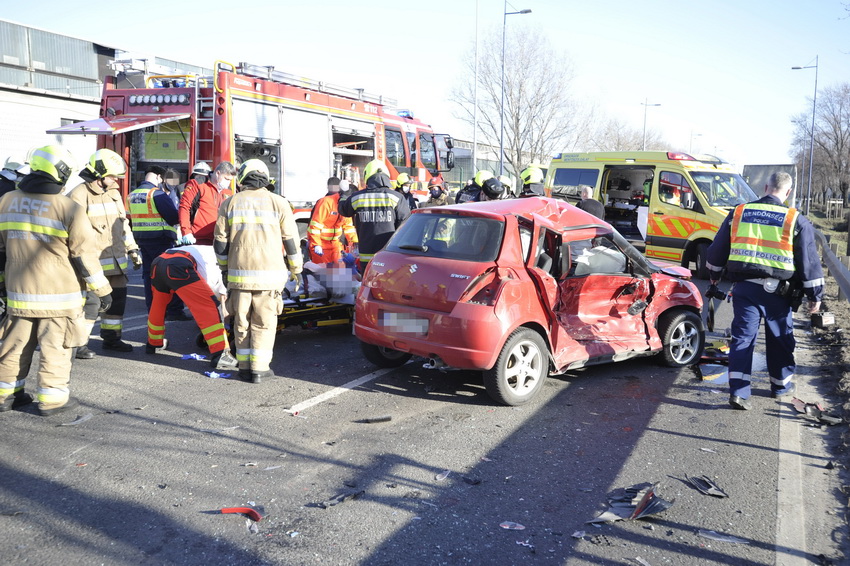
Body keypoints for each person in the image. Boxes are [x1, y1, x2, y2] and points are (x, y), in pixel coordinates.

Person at [0, 145, 111, 416]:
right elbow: (83, 255)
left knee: (14, 345)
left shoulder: (7, 201)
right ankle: (52, 400)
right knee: (57, 348)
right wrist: (103, 290)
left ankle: (6, 394)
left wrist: (3, 284)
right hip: (59, 296)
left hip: (18, 292)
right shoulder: (68, 208)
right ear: (60, 172)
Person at [706, 171, 824, 411]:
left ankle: (739, 392)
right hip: (778, 294)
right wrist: (815, 297)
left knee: (742, 340)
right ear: (788, 192)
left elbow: (718, 250)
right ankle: (780, 386)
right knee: (780, 339)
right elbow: (809, 262)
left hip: (745, 290)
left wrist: (714, 276)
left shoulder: (739, 212)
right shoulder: (795, 219)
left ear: (767, 187)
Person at [214, 159, 303, 383]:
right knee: (264, 322)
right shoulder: (279, 203)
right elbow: (291, 242)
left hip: (238, 277)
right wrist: (296, 269)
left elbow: (220, 243)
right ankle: (260, 370)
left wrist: (225, 269)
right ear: (265, 177)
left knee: (241, 322)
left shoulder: (229, 203)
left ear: (243, 177)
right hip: (269, 278)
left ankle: (243, 367)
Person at [68, 149, 142, 354]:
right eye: (111, 176)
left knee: (117, 302)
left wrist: (132, 248)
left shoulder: (114, 194)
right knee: (91, 305)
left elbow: (122, 225)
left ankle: (111, 338)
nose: (115, 180)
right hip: (93, 264)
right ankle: (80, 344)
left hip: (117, 262)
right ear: (98, 174)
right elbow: (72, 233)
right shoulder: (78, 195)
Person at [145, 244, 237, 370]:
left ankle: (154, 343)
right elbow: (222, 297)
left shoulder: (211, 251)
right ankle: (220, 355)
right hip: (180, 265)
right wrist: (225, 321)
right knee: (210, 307)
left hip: (159, 261)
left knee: (158, 305)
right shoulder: (225, 265)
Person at [127, 165, 188, 320]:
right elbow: (174, 217)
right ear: (159, 177)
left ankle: (153, 310)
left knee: (149, 276)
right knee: (169, 275)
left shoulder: (132, 195)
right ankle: (174, 311)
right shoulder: (157, 194)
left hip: (142, 240)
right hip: (161, 240)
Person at [339, 159, 410, 273]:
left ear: (367, 175)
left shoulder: (357, 197)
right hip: (389, 255)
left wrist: (344, 194)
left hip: (366, 257)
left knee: (368, 286)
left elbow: (344, 210)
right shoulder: (397, 197)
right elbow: (405, 225)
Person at [179, 161, 236, 246]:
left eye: (230, 180)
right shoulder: (198, 184)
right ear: (217, 173)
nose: (228, 182)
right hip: (197, 238)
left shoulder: (228, 190)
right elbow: (184, 207)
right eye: (226, 179)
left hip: (219, 239)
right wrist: (186, 231)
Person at [308, 176, 358, 264]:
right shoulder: (326, 202)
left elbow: (348, 227)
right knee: (322, 274)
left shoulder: (345, 205)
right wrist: (316, 245)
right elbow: (315, 226)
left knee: (338, 273)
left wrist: (355, 242)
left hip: (336, 245)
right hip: (321, 245)